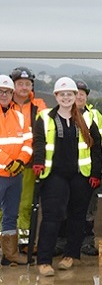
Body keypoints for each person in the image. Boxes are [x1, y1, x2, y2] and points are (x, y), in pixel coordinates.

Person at [31, 77, 102, 277]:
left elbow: (97, 147)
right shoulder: (45, 117)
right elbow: (38, 141)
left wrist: (96, 173)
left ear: (75, 96)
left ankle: (71, 255)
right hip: (54, 175)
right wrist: (38, 160)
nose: (66, 97)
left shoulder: (86, 119)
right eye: (62, 94)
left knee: (77, 216)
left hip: (80, 175)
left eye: (69, 94)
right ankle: (44, 261)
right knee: (52, 216)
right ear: (56, 96)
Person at [8, 67, 47, 249]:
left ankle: (23, 242)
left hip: (29, 162)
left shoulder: (39, 105)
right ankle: (5, 241)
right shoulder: (5, 105)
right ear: (13, 85)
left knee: (26, 203)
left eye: (27, 84)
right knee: (4, 205)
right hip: (6, 163)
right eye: (20, 84)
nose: (24, 87)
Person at [0, 74, 32, 267]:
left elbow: (28, 141)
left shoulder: (19, 116)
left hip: (15, 175)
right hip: (2, 173)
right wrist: (8, 162)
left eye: (7, 92)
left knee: (12, 214)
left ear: (12, 94)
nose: (4, 94)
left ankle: (10, 254)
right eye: (1, 91)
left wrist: (21, 160)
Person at [75, 79, 102, 255]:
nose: (79, 96)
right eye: (76, 93)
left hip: (89, 171)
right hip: (68, 173)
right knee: (65, 209)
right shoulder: (60, 115)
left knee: (88, 210)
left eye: (83, 94)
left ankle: (87, 242)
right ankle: (63, 242)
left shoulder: (94, 116)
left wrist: (96, 170)